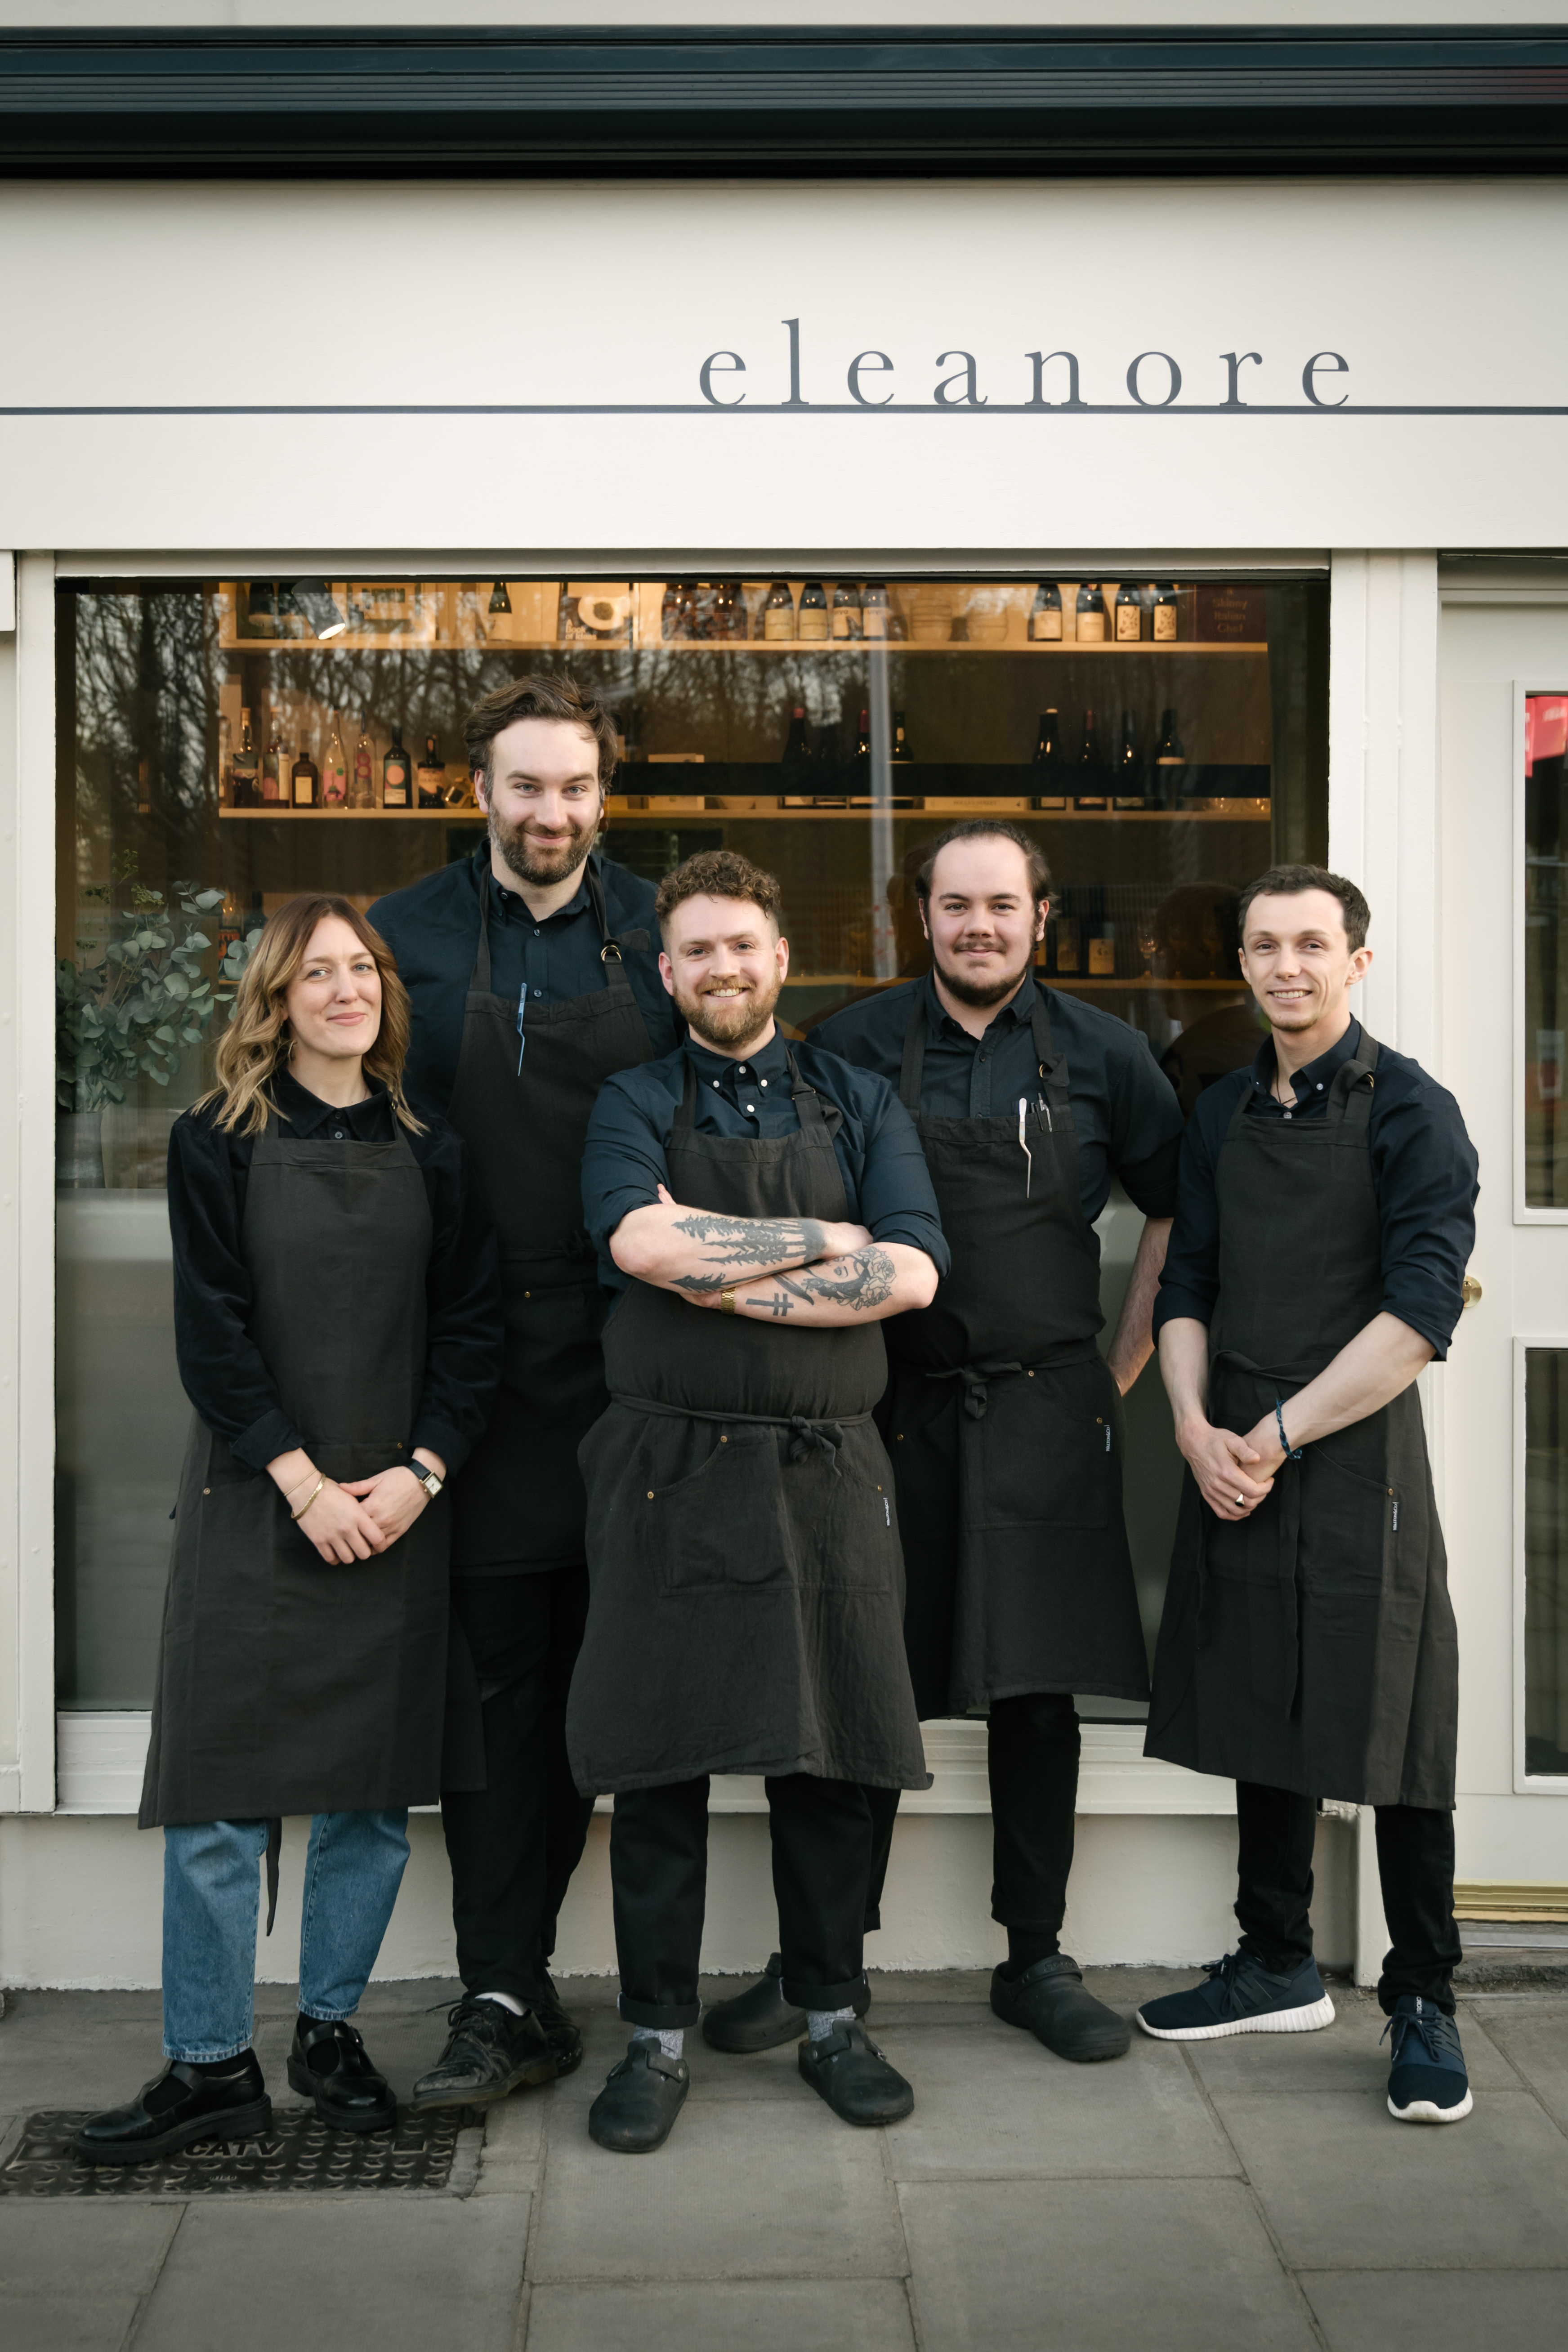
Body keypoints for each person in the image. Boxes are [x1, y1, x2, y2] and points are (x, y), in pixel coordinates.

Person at [705, 820, 1185, 2067]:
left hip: (1047, 1412)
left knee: (1037, 1698)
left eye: (1003, 906)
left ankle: (1036, 1956)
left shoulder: (1109, 1053)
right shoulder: (854, 1043)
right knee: (859, 1679)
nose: (981, 926)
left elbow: (1185, 1215)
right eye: (957, 906)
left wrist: (1120, 1368)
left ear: (1040, 917)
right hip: (881, 1416)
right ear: (925, 917)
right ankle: (825, 1965)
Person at [75, 897, 501, 2164]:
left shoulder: (438, 1149)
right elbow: (214, 1337)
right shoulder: (215, 1141)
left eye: (360, 968)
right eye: (315, 973)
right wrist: (308, 1486)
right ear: (275, 999)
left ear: (385, 993)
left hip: (395, 1507)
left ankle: (328, 2033)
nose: (343, 989)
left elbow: (474, 1334)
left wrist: (417, 1476)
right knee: (218, 1805)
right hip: (259, 1507)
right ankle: (209, 2064)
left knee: (368, 1805)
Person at [569, 849, 948, 2153]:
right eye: (698, 952)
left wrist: (723, 1271)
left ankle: (834, 2019)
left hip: (829, 1469)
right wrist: (826, 1244)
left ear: (782, 959)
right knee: (660, 1762)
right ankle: (656, 2041)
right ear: (668, 971)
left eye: (746, 945)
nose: (724, 968)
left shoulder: (857, 1101)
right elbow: (636, 1244)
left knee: (832, 1759)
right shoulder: (628, 1098)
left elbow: (913, 1275)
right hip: (666, 1474)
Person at [372, 675, 681, 2113]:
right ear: (478, 792)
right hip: (479, 1365)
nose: (549, 814)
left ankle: (663, 2007)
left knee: (628, 1682)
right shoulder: (405, 937)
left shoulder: (662, 929)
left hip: (642, 1358)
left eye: (574, 790)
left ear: (603, 794)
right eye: (524, 788)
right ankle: (504, 1992)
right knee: (503, 1692)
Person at [1138, 863, 1480, 2128]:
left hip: (1352, 1452)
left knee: (1397, 1723)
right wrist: (1191, 1425)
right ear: (1245, 965)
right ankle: (1277, 1959)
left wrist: (1276, 1434)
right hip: (1231, 1436)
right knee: (1255, 1689)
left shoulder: (1415, 1115)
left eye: (1312, 945)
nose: (1288, 965)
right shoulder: (1222, 1110)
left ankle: (1425, 1996)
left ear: (1358, 963)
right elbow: (1189, 1288)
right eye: (1265, 946)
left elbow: (1417, 1321)